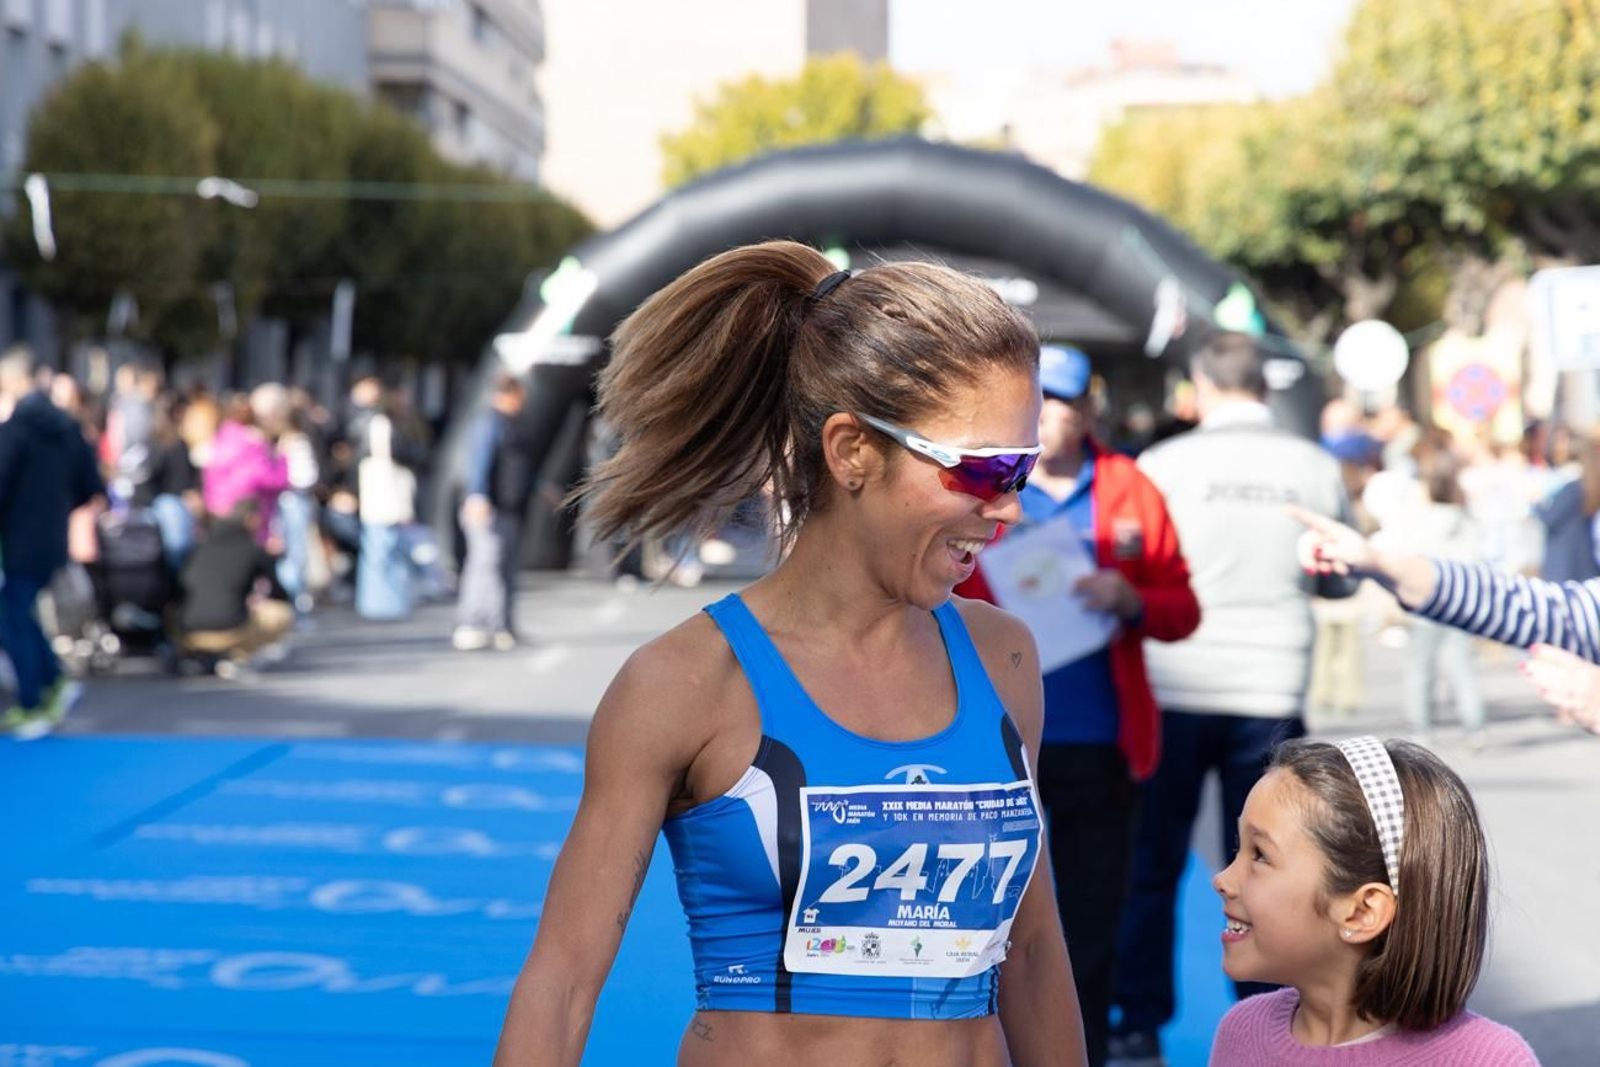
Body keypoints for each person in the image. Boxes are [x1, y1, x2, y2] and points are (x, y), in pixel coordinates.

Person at [493, 242, 1084, 1065]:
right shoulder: (686, 681)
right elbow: (561, 985)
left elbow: (1033, 950)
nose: (1009, 507)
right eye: (981, 470)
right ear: (851, 450)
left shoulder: (1003, 656)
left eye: (1020, 470)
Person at [1111, 332, 1358, 1067]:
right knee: (1273, 864)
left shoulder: (1163, 464)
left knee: (1153, 861)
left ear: (1201, 385)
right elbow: (1340, 574)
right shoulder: (1313, 465)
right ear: (1265, 385)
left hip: (1175, 684)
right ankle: (1271, 1021)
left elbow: (1136, 567)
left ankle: (1138, 1023)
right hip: (1271, 685)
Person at [954, 344, 1200, 1067]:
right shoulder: (983, 483)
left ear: (1089, 408)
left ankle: (1082, 1050)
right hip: (993, 740)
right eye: (1039, 400)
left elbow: (1182, 606)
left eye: (1062, 400)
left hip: (1100, 739)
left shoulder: (1128, 485)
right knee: (985, 920)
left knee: (1091, 922)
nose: (1050, 414)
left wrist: (1133, 598)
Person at [1207, 736, 1538, 1064]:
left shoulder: (1490, 1060)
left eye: (1260, 855)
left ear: (1362, 912)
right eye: (1238, 847)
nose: (1221, 879)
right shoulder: (1242, 1032)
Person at [0, 347, 104, 738]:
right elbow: (90, 484)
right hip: (51, 535)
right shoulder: (67, 428)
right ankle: (51, 685)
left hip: (20, 538)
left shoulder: (15, 431)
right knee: (18, 613)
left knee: (13, 617)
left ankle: (35, 700)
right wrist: (57, 509)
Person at [1375, 444, 1486, 746]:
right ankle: (1475, 727)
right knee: (1461, 666)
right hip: (1461, 602)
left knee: (1420, 667)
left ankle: (1421, 728)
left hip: (1424, 600)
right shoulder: (1463, 517)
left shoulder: (1415, 518)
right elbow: (1476, 559)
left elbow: (1403, 557)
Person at [454, 372, 535, 652]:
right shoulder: (489, 422)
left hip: (510, 508)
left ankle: (502, 626)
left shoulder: (514, 424)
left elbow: (519, 466)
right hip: (488, 508)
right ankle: (471, 624)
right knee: (484, 566)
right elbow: (479, 462)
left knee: (507, 569)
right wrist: (477, 496)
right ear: (509, 394)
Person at [178, 499, 293, 676]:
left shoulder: (199, 546)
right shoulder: (252, 549)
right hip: (230, 628)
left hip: (189, 630)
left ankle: (196, 655)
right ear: (250, 518)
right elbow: (279, 593)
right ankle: (237, 656)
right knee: (281, 612)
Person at [1533, 426, 1600, 585]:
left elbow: (1550, 517)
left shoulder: (1573, 485)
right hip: (1582, 558)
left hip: (1565, 561)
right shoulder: (1588, 481)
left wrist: (1537, 503)